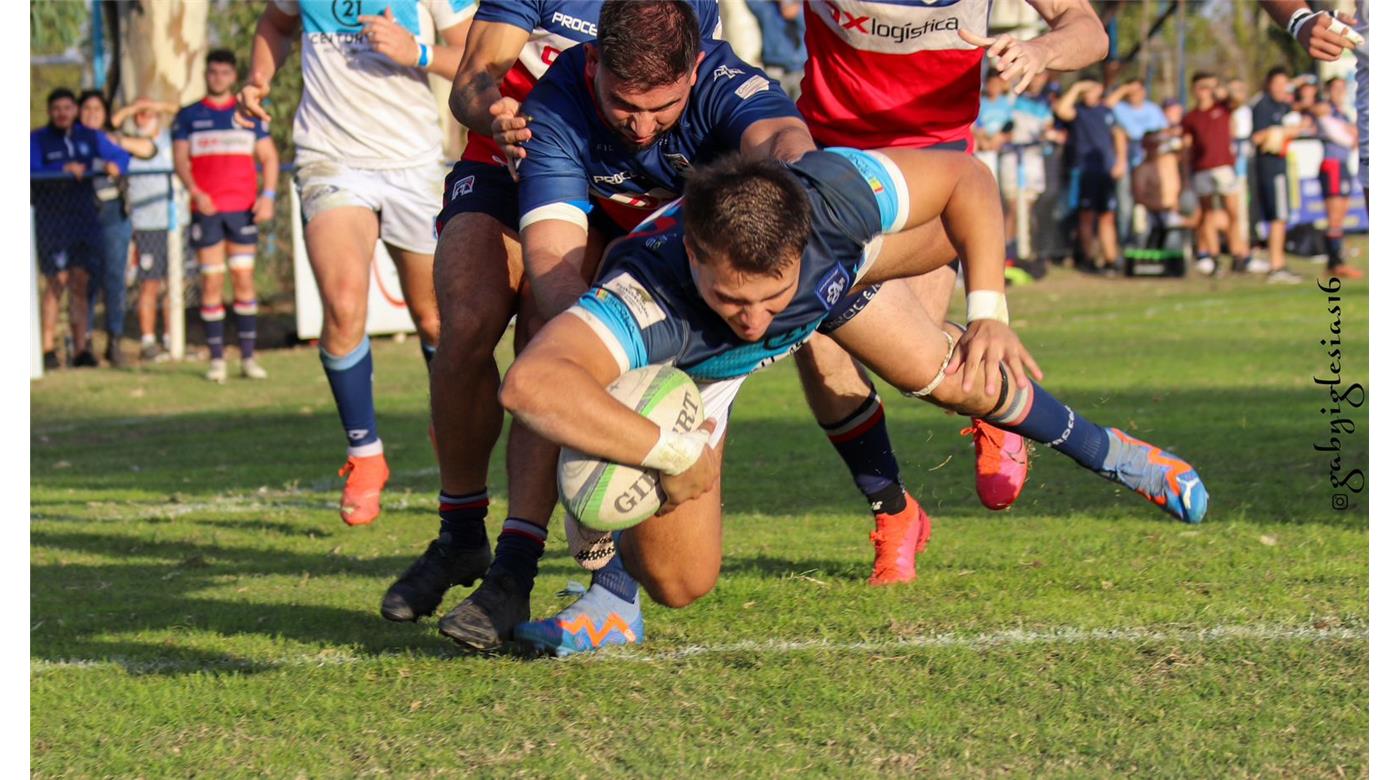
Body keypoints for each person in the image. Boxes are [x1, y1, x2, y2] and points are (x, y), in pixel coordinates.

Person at [497, 150, 1208, 639]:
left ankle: (1119, 455)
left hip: (841, 281)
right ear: (692, 255)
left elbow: (966, 177)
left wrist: (991, 311)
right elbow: (531, 383)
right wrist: (673, 451)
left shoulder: (833, 198)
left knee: (956, 365)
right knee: (682, 585)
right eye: (731, 299)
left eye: (770, 297)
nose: (752, 318)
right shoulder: (643, 296)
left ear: (801, 249)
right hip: (693, 381)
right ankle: (614, 594)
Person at [388, 0, 814, 655]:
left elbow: (746, 117)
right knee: (473, 321)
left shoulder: (688, 44)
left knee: (554, 333)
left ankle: (531, 573)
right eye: (629, 104)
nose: (645, 120)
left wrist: (810, 187)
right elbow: (474, 78)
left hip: (650, 198)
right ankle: (469, 538)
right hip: (526, 150)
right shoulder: (556, 98)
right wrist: (496, 113)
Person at [789, 0, 1108, 580]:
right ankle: (894, 512)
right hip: (829, 173)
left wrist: (1040, 50)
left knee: (918, 361)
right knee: (822, 356)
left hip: (934, 184)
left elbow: (1089, 30)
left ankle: (994, 397)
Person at [236, 1, 473, 524]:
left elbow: (475, 59)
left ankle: (446, 420)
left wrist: (419, 51)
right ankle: (365, 455)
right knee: (343, 307)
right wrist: (257, 79)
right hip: (330, 157)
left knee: (435, 317)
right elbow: (276, 24)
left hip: (413, 164)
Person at [174, 49, 279, 383]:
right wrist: (195, 191)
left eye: (224, 72)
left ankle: (248, 359)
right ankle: (217, 360)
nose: (218, 77)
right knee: (211, 283)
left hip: (243, 211)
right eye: (213, 72)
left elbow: (270, 158)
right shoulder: (188, 115)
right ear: (206, 74)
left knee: (244, 282)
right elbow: (180, 160)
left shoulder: (248, 113)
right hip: (207, 212)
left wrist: (268, 196)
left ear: (234, 76)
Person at [30, 89, 130, 369]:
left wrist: (115, 165)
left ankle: (81, 349)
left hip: (84, 221)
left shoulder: (89, 136)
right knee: (55, 283)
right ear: (50, 111)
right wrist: (63, 168)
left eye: (67, 107)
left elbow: (121, 156)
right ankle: (47, 348)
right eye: (57, 108)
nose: (63, 113)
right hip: (53, 222)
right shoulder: (37, 140)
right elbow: (31, 167)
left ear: (74, 110)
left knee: (80, 283)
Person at [77, 91, 143, 367]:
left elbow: (132, 156)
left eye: (97, 108)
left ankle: (114, 340)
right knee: (85, 282)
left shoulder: (110, 139)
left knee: (115, 279)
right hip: (80, 216)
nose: (92, 113)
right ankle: (84, 344)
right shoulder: (72, 139)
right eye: (87, 108)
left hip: (113, 214)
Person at [115, 98, 183, 362]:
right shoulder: (129, 143)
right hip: (147, 224)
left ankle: (172, 337)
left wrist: (157, 105)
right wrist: (129, 110)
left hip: (177, 223)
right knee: (150, 284)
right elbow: (108, 130)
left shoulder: (171, 137)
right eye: (138, 115)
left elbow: (184, 113)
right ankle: (147, 341)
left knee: (174, 283)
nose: (143, 119)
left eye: (148, 114)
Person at [1180, 72, 1251, 277]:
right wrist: (1185, 176)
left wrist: (1219, 87)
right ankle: (1214, 255)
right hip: (1202, 169)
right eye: (1200, 87)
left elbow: (1238, 99)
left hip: (1224, 168)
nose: (1204, 92)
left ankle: (1238, 253)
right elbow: (1186, 147)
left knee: (1232, 212)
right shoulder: (1191, 117)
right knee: (1208, 214)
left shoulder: (1222, 107)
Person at [1054, 78, 1126, 274]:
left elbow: (1119, 136)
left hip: (1104, 170)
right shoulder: (1078, 111)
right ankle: (1089, 260)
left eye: (1091, 89)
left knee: (1107, 216)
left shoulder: (1106, 111)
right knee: (1086, 216)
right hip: (1084, 170)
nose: (1088, 94)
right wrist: (1076, 87)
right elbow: (1061, 110)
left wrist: (1121, 161)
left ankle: (1111, 259)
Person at [1250, 67, 1307, 284]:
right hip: (1270, 167)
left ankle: (1278, 263)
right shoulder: (1263, 106)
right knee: (1278, 217)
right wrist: (1283, 132)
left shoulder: (1284, 106)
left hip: (1282, 165)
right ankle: (1276, 265)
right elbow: (1259, 138)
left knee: (1281, 217)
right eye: (1278, 84)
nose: (1281, 88)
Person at [1312, 100, 1362, 278]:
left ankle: (1337, 262)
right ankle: (1335, 264)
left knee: (1340, 216)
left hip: (1343, 166)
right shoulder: (1325, 118)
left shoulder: (1342, 114)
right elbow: (1349, 139)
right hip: (1332, 166)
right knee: (1334, 217)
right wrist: (1352, 134)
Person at [744, 0, 804, 99]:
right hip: (775, 71)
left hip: (801, 71)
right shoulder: (766, 8)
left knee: (802, 112)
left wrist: (798, 12)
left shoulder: (805, 7)